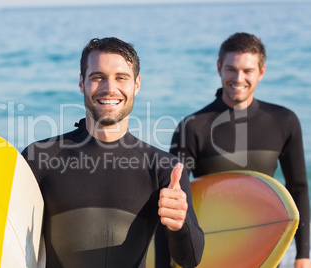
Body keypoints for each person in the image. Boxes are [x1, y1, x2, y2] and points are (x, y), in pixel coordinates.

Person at [22, 37, 204, 268]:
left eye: (121, 78)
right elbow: (12, 243)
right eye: (98, 77)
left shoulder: (163, 169)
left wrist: (180, 224)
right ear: (81, 83)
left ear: (136, 84)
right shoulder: (40, 158)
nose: (109, 88)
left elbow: (190, 259)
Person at [155, 32, 310, 268]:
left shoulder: (284, 121)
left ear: (262, 72)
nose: (238, 78)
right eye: (231, 69)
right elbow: (176, 199)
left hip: (268, 251)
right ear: (219, 68)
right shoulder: (193, 127)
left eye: (247, 71)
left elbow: (298, 189)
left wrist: (303, 255)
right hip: (214, 251)